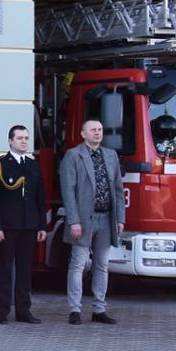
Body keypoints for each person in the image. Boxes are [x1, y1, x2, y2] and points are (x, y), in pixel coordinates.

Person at [59, 118, 123, 325]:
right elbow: (68, 191)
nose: (97, 133)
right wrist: (73, 220)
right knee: (78, 264)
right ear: (83, 134)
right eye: (93, 130)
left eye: (100, 130)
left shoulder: (111, 155)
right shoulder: (73, 155)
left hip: (106, 218)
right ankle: (75, 309)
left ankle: (99, 309)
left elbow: (118, 190)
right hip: (83, 219)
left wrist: (120, 219)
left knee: (102, 265)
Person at [0, 125, 46, 325]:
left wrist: (41, 226)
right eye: (19, 138)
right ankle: (1, 311)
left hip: (28, 225)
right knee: (4, 269)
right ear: (10, 141)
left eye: (26, 138)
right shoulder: (0, 164)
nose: (23, 141)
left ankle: (23, 311)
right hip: (8, 226)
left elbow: (40, 197)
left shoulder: (32, 164)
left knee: (24, 270)